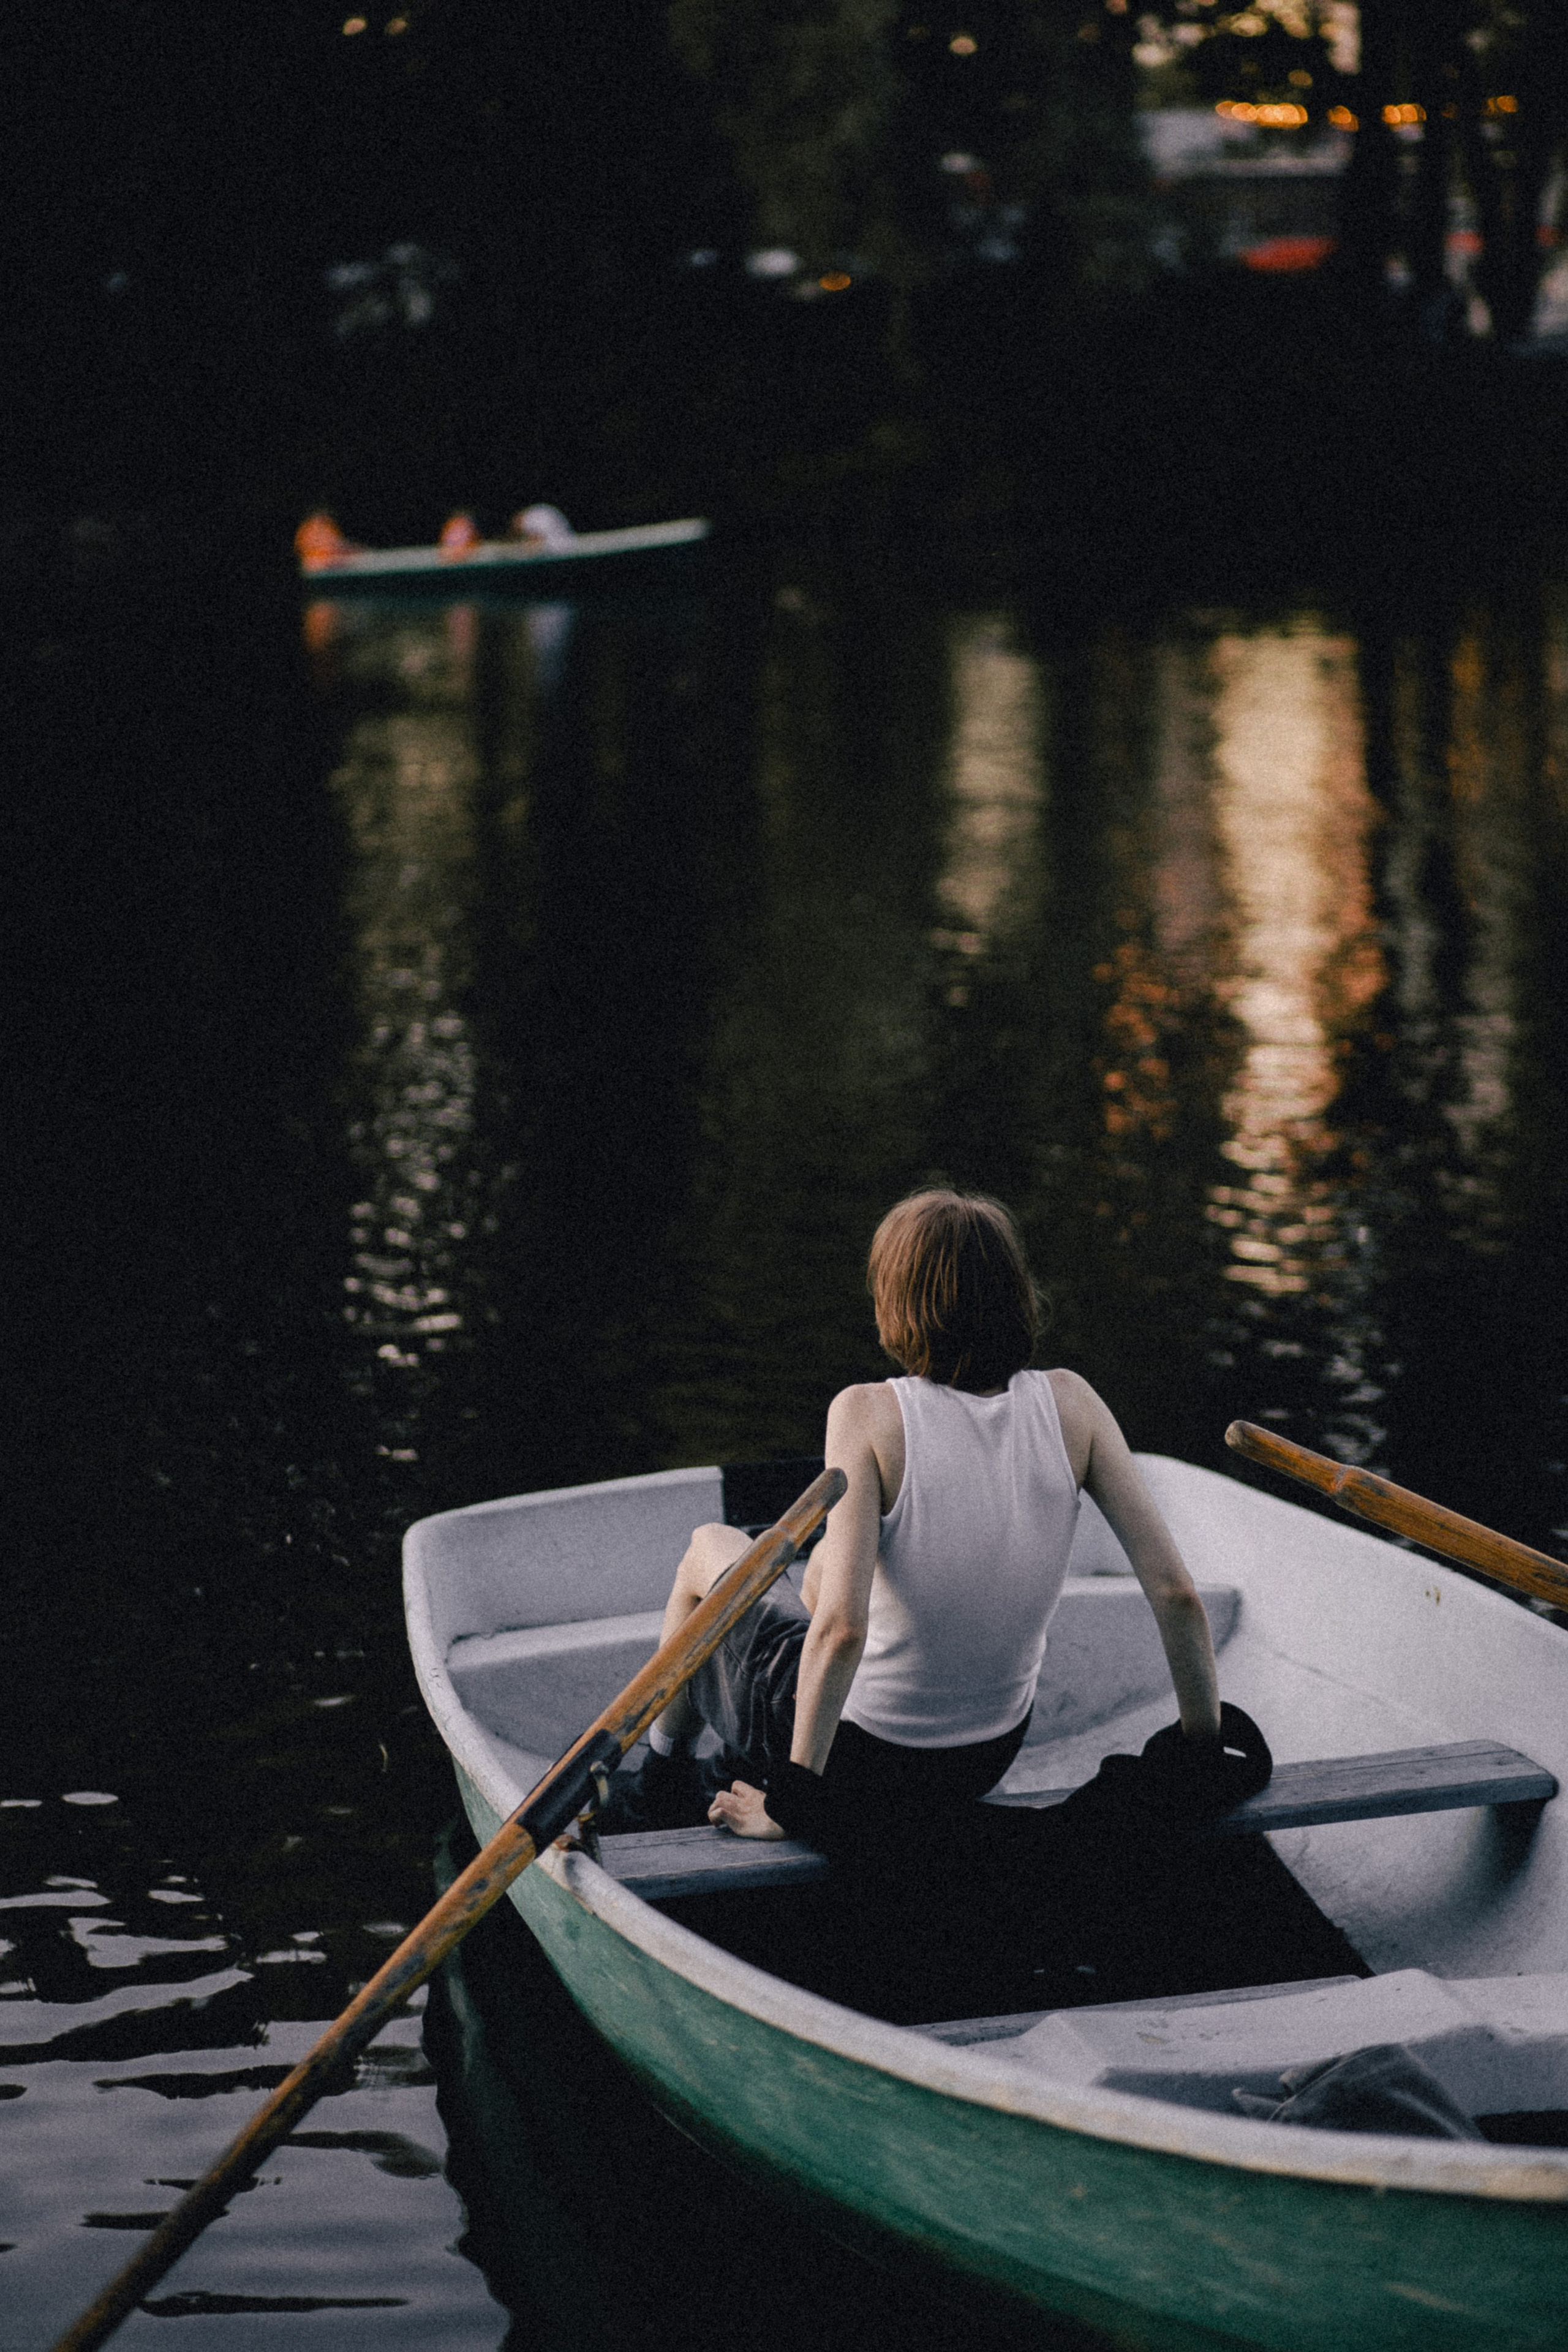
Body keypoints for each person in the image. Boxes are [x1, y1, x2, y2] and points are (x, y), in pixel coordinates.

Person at [620, 1188, 1225, 1852]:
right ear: (1015, 1295)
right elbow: (1177, 1594)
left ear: (896, 1302)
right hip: (984, 1755)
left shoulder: (866, 1412)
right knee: (820, 1566)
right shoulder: (1074, 1403)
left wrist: (793, 1805)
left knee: (710, 1548)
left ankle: (663, 1775)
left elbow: (843, 1630)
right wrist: (1201, 1753)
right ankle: (727, 1763)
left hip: (858, 1763)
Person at [507, 503, 575, 551]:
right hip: (568, 543)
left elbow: (537, 542)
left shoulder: (530, 519)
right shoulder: (536, 511)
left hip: (559, 550)